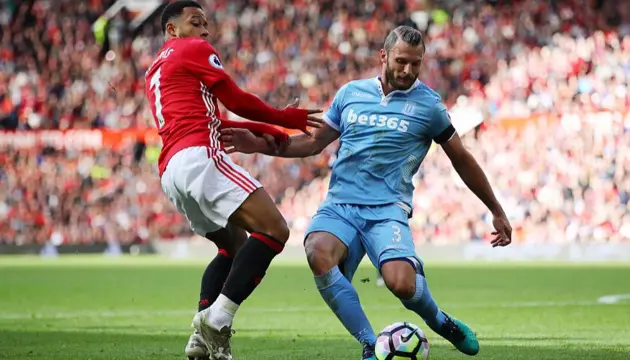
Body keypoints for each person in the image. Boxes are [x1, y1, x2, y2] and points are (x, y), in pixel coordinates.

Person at [221, 26, 513, 359]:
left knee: (401, 283)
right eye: (401, 61)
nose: (408, 71)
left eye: (416, 64)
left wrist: (496, 208)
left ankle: (440, 321)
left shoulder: (429, 106)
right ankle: (369, 345)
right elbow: (313, 143)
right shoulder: (350, 94)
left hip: (388, 209)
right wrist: (258, 144)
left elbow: (461, 158)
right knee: (317, 250)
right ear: (384, 56)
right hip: (341, 205)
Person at [143, 1, 322, 359]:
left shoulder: (156, 71)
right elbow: (236, 100)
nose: (205, 31)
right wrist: (284, 117)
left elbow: (215, 122)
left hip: (172, 171)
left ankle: (199, 337)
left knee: (233, 246)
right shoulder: (192, 48)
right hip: (199, 159)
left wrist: (271, 130)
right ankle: (218, 319)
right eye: (196, 22)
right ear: (172, 29)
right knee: (275, 229)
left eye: (207, 25)